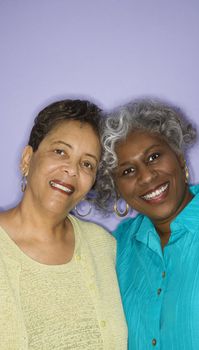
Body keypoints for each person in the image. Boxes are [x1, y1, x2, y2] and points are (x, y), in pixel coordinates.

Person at [95, 99, 199, 349]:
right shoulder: (118, 246)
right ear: (117, 189)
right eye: (127, 171)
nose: (146, 176)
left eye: (154, 157)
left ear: (179, 157)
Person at [0, 99, 127, 349]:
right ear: (28, 158)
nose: (71, 169)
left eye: (87, 163)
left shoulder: (103, 247)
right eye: (60, 152)